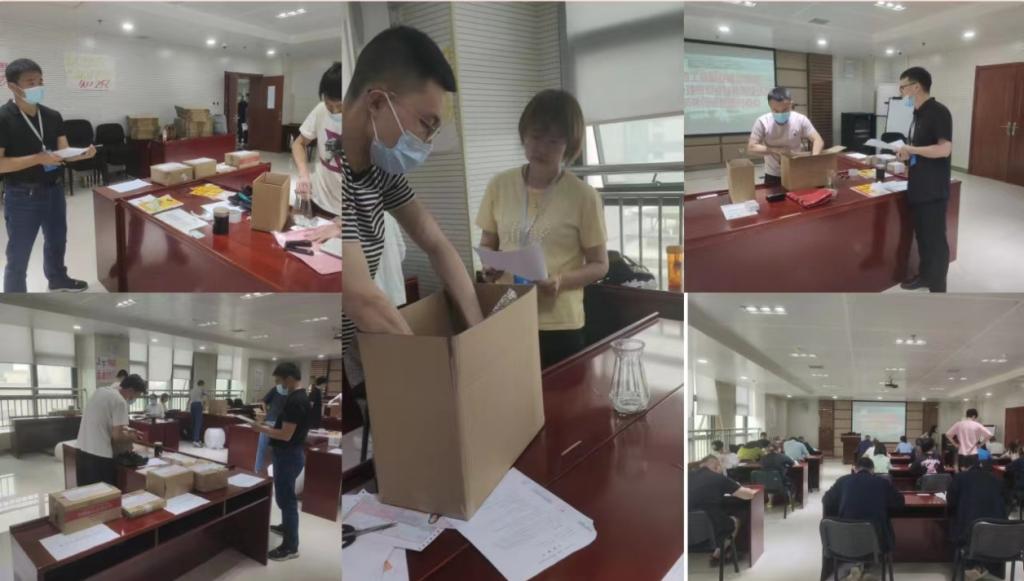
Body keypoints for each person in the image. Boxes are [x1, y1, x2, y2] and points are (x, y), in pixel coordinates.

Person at [341, 26, 484, 367]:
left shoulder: (379, 169)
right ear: (377, 102)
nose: (426, 142)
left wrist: (480, 333)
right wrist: (433, 371)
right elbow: (361, 298)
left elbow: (436, 243)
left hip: (361, 347)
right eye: (426, 124)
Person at [476, 89, 609, 368]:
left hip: (559, 323)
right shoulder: (499, 185)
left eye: (553, 141)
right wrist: (490, 266)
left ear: (569, 145)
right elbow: (488, 242)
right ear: (523, 135)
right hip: (508, 310)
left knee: (560, 393)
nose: (541, 148)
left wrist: (560, 280)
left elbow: (600, 265)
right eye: (535, 137)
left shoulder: (583, 196)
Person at [0, 58, 95, 293]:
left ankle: (57, 279)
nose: (38, 87)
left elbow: (63, 153)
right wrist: (38, 158)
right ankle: (15, 300)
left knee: (56, 241)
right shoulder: (3, 118)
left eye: (40, 81)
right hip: (22, 195)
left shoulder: (52, 115)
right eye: (31, 82)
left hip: (54, 189)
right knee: (19, 253)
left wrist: (81, 154)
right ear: (12, 86)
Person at [895, 67, 953, 293]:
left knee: (935, 240)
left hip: (933, 189)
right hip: (919, 186)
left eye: (902, 87)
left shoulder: (938, 112)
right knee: (923, 237)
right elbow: (920, 149)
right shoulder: (917, 113)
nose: (901, 93)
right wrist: (908, 153)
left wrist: (912, 149)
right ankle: (926, 276)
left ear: (916, 87)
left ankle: (938, 288)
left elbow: (944, 149)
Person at [251, 362, 311, 561]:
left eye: (279, 381)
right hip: (290, 453)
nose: (278, 385)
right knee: (285, 497)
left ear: (289, 378)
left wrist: (261, 429)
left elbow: (286, 434)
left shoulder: (295, 400)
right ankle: (286, 527)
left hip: (288, 455)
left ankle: (290, 547)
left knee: (287, 500)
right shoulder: (300, 397)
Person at [823, 457, 905, 581]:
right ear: (872, 470)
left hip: (843, 542)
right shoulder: (882, 482)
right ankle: (864, 570)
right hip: (876, 545)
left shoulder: (843, 481)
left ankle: (854, 569)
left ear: (855, 469)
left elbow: (826, 501)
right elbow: (900, 503)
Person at [293, 62, 343, 231]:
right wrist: (304, 174)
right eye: (329, 105)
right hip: (319, 200)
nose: (334, 111)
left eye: (340, 106)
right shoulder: (320, 110)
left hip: (349, 214)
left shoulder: (364, 119)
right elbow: (299, 144)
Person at [75, 374, 148, 486]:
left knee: (86, 493)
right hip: (99, 457)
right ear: (131, 390)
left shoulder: (101, 391)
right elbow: (117, 437)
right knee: (104, 494)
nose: (135, 399)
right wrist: (132, 437)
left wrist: (128, 430)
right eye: (137, 395)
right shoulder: (120, 401)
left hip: (81, 451)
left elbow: (106, 421)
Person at [746, 86, 824, 187]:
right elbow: (752, 147)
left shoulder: (800, 119)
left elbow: (818, 140)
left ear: (791, 104)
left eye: (785, 110)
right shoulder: (762, 121)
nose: (781, 114)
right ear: (770, 106)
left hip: (796, 170)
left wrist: (814, 159)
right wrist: (775, 150)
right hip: (773, 174)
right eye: (776, 111)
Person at [688, 456, 757, 563]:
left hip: (689, 529)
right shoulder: (718, 478)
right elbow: (747, 495)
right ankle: (719, 552)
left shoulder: (687, 476)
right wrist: (750, 490)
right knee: (739, 515)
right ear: (717, 466)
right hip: (713, 524)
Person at [948, 456, 1007, 581]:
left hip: (969, 534)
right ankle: (983, 568)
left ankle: (969, 567)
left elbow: (951, 503)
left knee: (956, 520)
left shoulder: (959, 478)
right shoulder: (997, 479)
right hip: (997, 535)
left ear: (962, 467)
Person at [255, 382, 288, 474]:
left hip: (271, 421)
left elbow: (263, 401)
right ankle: (276, 470)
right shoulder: (291, 392)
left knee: (262, 447)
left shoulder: (275, 389)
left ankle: (258, 469)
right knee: (278, 449)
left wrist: (266, 412)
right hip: (281, 424)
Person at [760, 444, 795, 509]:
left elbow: (762, 466)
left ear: (768, 450)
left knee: (771, 480)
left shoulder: (763, 458)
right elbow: (792, 463)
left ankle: (770, 503)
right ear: (778, 449)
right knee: (791, 481)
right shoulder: (782, 456)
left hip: (766, 482)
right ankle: (790, 502)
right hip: (780, 480)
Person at [188, 379, 208, 448]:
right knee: (198, 423)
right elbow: (206, 396)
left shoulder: (193, 389)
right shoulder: (202, 388)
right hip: (198, 405)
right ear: (202, 384)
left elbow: (190, 398)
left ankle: (194, 439)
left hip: (192, 405)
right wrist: (204, 405)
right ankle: (196, 440)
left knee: (194, 422)